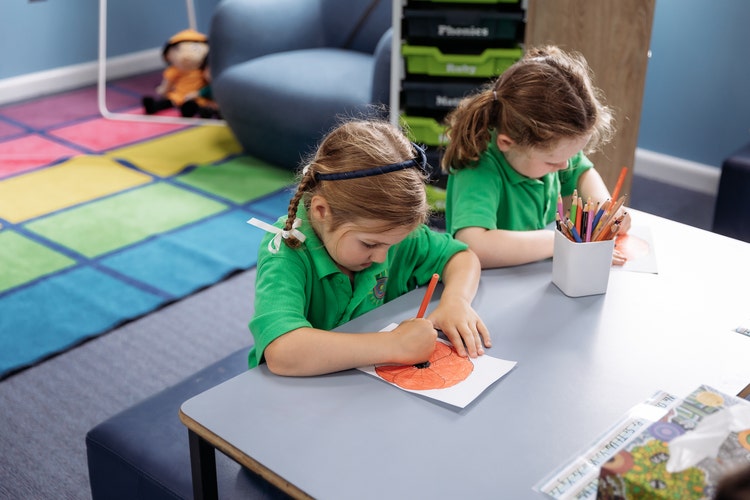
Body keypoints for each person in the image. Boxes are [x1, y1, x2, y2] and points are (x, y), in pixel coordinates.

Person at [247, 119, 491, 376]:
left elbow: (462, 256)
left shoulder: (386, 233)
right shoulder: (287, 250)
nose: (381, 257)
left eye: (391, 245)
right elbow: (284, 353)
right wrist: (394, 345)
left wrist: (456, 300)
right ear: (321, 211)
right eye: (369, 244)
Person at [442, 45, 631, 268]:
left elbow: (583, 173)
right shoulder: (479, 167)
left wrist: (605, 209)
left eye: (570, 156)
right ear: (506, 143)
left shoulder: (549, 152)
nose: (565, 166)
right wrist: (561, 241)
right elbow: (474, 245)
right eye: (553, 161)